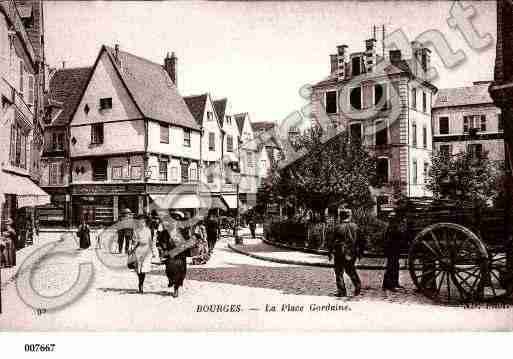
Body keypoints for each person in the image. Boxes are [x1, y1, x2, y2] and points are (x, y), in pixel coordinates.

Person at [326, 209, 362, 297]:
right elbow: (361, 241)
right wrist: (360, 252)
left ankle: (342, 291)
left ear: (341, 216)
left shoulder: (337, 227)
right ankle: (357, 285)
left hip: (339, 253)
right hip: (351, 252)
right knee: (351, 270)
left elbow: (331, 241)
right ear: (349, 216)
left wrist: (330, 252)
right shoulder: (355, 227)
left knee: (339, 272)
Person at [156, 217, 188, 297]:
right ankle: (171, 279)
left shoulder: (182, 231)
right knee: (169, 270)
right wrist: (163, 249)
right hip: (170, 254)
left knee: (179, 272)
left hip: (180, 255)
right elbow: (160, 241)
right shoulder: (165, 232)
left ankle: (176, 289)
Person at [131, 215, 155, 294]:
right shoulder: (136, 231)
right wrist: (132, 249)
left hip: (147, 250)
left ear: (145, 223)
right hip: (139, 249)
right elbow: (134, 242)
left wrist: (153, 251)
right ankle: (140, 281)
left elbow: (150, 241)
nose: (142, 224)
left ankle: (141, 283)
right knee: (139, 269)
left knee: (144, 269)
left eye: (143, 222)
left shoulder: (148, 230)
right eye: (140, 222)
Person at [382, 212, 404, 291]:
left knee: (395, 266)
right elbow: (390, 239)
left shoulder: (393, 227)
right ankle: (389, 285)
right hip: (392, 250)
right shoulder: (392, 227)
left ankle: (394, 283)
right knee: (391, 267)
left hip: (394, 250)